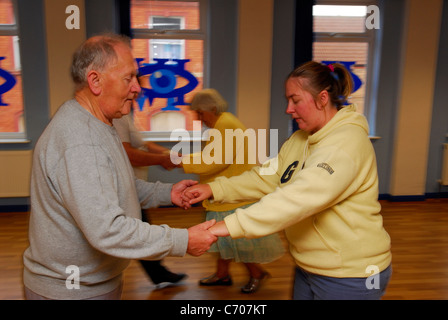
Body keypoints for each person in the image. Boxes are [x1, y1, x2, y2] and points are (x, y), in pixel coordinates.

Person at [22, 34, 217, 300]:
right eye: (129, 78)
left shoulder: (100, 124)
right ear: (95, 81)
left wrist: (167, 193)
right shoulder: (82, 142)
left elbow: (117, 185)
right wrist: (183, 240)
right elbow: (107, 230)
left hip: (94, 282)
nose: (137, 88)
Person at [182, 62, 392, 300]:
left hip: (352, 273)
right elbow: (268, 176)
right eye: (287, 100)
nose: (288, 109)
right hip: (311, 266)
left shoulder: (345, 143)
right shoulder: (300, 139)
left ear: (322, 98)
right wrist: (213, 188)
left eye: (295, 100)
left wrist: (225, 226)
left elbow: (297, 199)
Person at [180, 89, 285, 294]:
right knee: (223, 240)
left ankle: (257, 273)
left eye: (200, 113)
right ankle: (222, 274)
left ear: (212, 109)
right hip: (227, 192)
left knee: (236, 241)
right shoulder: (224, 123)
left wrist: (181, 161)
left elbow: (215, 161)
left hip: (232, 194)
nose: (199, 119)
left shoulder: (226, 126)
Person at [113, 113, 187, 286]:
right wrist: (163, 159)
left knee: (140, 230)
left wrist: (171, 154)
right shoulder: (116, 117)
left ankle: (158, 273)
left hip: (134, 187)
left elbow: (144, 144)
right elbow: (128, 154)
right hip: (125, 189)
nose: (136, 90)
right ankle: (158, 273)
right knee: (139, 232)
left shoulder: (124, 115)